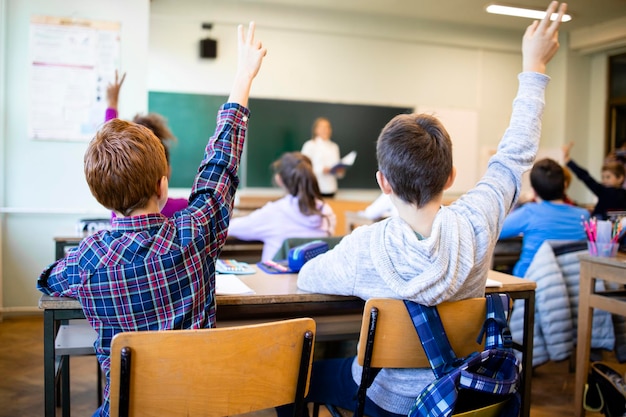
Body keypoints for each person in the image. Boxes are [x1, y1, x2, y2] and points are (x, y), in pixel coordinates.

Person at [277, 3, 567, 416]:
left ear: (383, 182)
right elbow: (515, 154)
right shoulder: (478, 221)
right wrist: (533, 65)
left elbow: (308, 278)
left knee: (293, 374)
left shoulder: (364, 247)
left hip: (384, 402)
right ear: (450, 177)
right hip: (457, 395)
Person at [37, 22, 267, 417]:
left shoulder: (86, 262)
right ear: (164, 187)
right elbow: (221, 165)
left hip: (126, 409)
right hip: (197, 407)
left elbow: (48, 280)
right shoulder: (195, 231)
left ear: (100, 196)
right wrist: (243, 76)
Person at [105, 70, 188, 217]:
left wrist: (112, 104)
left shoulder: (118, 209)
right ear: (166, 174)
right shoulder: (182, 209)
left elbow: (109, 150)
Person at [228, 151, 336, 260]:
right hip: (312, 276)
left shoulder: (273, 212)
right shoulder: (327, 212)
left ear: (279, 179)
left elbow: (230, 228)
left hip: (275, 276)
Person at [499, 158, 590, 277]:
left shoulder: (530, 212)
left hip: (531, 282)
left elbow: (496, 231)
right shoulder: (584, 215)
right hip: (574, 281)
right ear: (564, 186)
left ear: (534, 191)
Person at [563, 141, 626, 219]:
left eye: (608, 177)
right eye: (603, 177)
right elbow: (585, 177)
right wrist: (569, 162)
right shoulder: (603, 190)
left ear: (620, 178)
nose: (604, 180)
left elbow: (586, 177)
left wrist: (569, 162)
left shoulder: (607, 191)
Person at [301, 117, 343, 197]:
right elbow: (303, 167)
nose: (326, 130)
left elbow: (337, 171)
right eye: (323, 127)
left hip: (331, 189)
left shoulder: (334, 147)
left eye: (328, 127)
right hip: (314, 188)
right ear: (316, 130)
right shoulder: (309, 145)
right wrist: (321, 170)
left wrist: (339, 171)